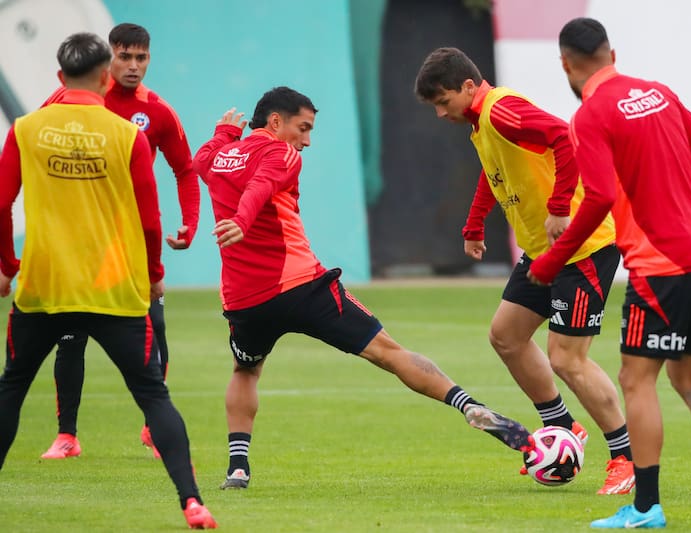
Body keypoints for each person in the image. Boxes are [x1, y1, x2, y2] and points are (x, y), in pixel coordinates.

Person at [193, 86, 533, 490]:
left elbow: (201, 162)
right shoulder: (279, 153)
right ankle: (469, 405)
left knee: (245, 370)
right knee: (388, 352)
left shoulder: (219, 157)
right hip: (301, 286)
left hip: (245, 299)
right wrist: (245, 220)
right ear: (275, 122)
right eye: (303, 128)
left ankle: (237, 468)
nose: (307, 141)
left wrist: (222, 134)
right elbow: (261, 187)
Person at [528, 17, 691, 528]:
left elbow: (602, 198)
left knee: (636, 378)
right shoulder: (658, 92)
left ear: (565, 63)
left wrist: (552, 258)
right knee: (690, 375)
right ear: (613, 52)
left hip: (662, 264)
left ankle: (646, 508)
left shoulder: (590, 115)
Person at [0, 32, 215, 529]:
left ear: (59, 78)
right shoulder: (127, 136)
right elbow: (149, 220)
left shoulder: (26, 129)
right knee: (154, 397)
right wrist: (154, 275)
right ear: (105, 75)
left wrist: (7, 267)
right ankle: (191, 501)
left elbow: (1, 203)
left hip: (44, 287)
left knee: (11, 387)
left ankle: (67, 434)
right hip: (115, 290)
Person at [414, 47, 634, 494]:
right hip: (543, 252)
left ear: (469, 87)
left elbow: (564, 137)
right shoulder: (482, 123)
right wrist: (475, 223)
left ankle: (625, 459)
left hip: (581, 249)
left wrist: (559, 208)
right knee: (507, 336)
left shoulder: (502, 111)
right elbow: (494, 172)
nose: (441, 113)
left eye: (443, 101)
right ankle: (564, 426)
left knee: (567, 358)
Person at [40, 22, 199, 460]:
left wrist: (190, 223)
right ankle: (66, 436)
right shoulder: (69, 100)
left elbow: (185, 170)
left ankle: (153, 427)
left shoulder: (158, 111)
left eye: (141, 58)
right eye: (124, 56)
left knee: (154, 329)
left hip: (130, 244)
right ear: (108, 56)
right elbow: (36, 146)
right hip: (78, 243)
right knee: (71, 336)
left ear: (149, 59)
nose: (133, 66)